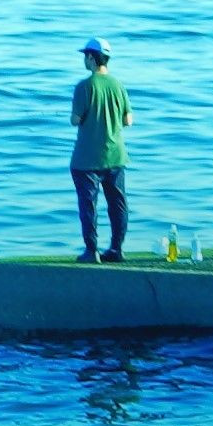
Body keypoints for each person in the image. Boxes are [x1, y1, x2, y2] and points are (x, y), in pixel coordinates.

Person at [69, 39, 130, 262]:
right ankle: (116, 249)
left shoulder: (84, 86)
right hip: (116, 155)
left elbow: (75, 120)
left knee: (88, 205)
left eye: (85, 56)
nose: (84, 60)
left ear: (92, 58)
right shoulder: (118, 85)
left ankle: (91, 250)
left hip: (87, 158)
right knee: (118, 204)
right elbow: (128, 120)